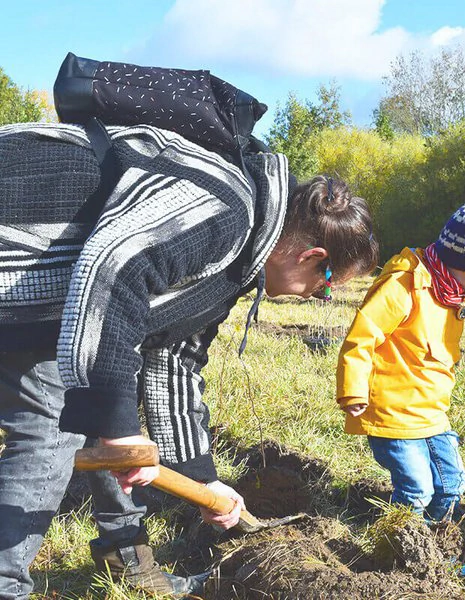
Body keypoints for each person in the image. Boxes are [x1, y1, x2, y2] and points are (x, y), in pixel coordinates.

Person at [0, 121, 379, 598]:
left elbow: (174, 362)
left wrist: (203, 479)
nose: (317, 298)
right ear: (311, 256)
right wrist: (116, 424)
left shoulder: (237, 264)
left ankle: (128, 561)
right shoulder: (228, 208)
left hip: (48, 294)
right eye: (326, 287)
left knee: (109, 401)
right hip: (18, 246)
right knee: (55, 424)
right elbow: (116, 270)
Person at [336, 200, 465, 521]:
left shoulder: (452, 295)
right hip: (393, 414)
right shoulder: (402, 287)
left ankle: (436, 545)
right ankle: (397, 542)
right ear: (450, 260)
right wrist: (353, 390)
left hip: (432, 414)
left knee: (451, 485)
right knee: (417, 489)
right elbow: (362, 337)